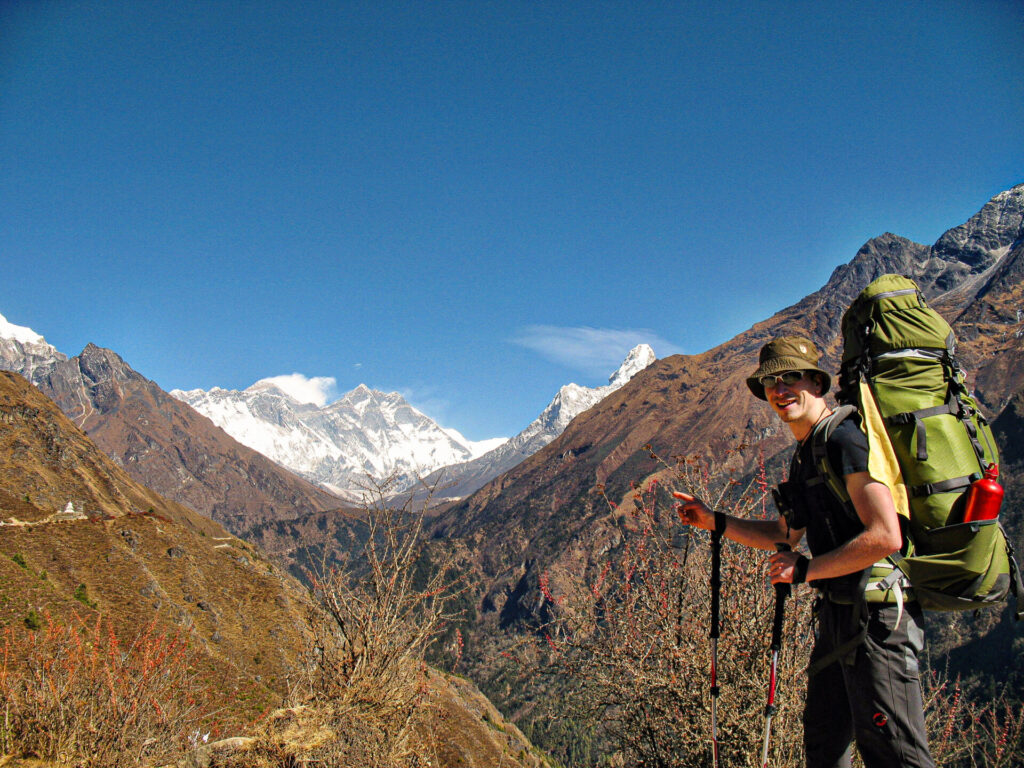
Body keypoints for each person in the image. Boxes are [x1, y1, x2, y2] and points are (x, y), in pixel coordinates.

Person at [673, 335, 935, 768]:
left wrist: (807, 570)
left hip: (878, 617)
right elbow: (784, 534)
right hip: (837, 614)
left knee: (896, 756)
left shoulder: (843, 441)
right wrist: (714, 521)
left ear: (817, 382)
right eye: (770, 382)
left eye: (790, 377)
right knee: (824, 745)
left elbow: (886, 536)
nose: (779, 390)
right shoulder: (806, 453)